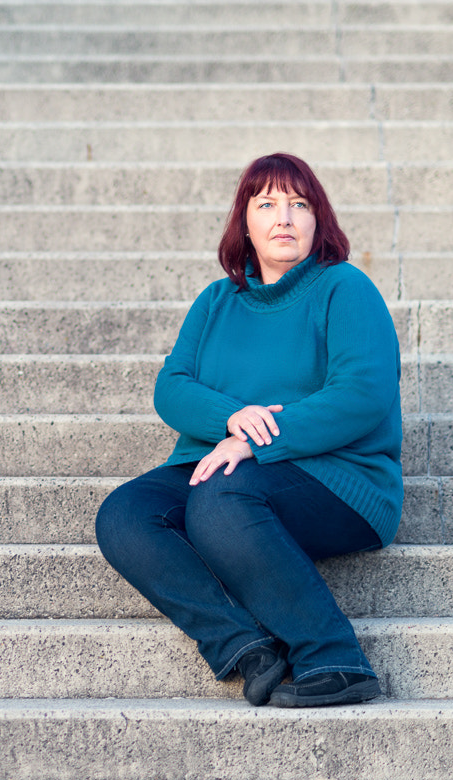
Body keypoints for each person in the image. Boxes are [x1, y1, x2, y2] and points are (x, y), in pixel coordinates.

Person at [95, 152, 403, 708]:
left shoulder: (344, 288)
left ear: (318, 220)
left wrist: (260, 436)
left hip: (335, 477)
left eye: (299, 204)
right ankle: (247, 647)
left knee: (219, 499)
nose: (283, 217)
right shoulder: (217, 301)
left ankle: (335, 660)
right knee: (125, 514)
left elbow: (363, 395)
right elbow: (173, 387)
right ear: (245, 222)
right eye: (267, 204)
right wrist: (231, 419)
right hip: (228, 468)